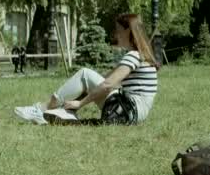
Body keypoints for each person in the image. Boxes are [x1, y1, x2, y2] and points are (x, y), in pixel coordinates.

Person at [17, 14, 159, 124]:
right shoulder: (141, 56)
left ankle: (42, 109)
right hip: (132, 113)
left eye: (118, 30)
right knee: (87, 80)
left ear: (128, 31)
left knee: (85, 74)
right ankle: (66, 111)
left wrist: (81, 102)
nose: (116, 34)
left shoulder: (134, 56)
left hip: (127, 111)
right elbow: (105, 79)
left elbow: (108, 84)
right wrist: (85, 89)